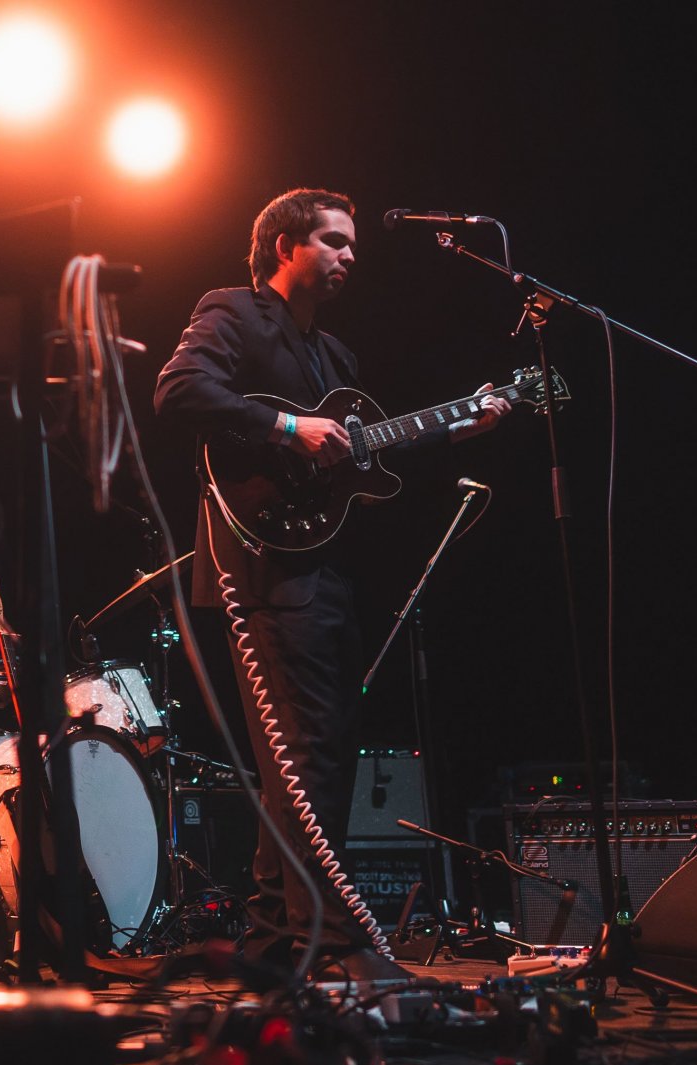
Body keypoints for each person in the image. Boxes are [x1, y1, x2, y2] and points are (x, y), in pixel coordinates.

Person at [154, 188, 510, 981]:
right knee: (305, 752)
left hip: (325, 571)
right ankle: (323, 940)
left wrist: (459, 423)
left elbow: (362, 461)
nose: (351, 256)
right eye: (336, 241)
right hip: (263, 568)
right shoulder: (235, 313)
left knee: (324, 757)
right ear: (285, 245)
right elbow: (179, 390)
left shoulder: (338, 359)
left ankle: (283, 932)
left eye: (352, 245)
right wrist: (284, 426)